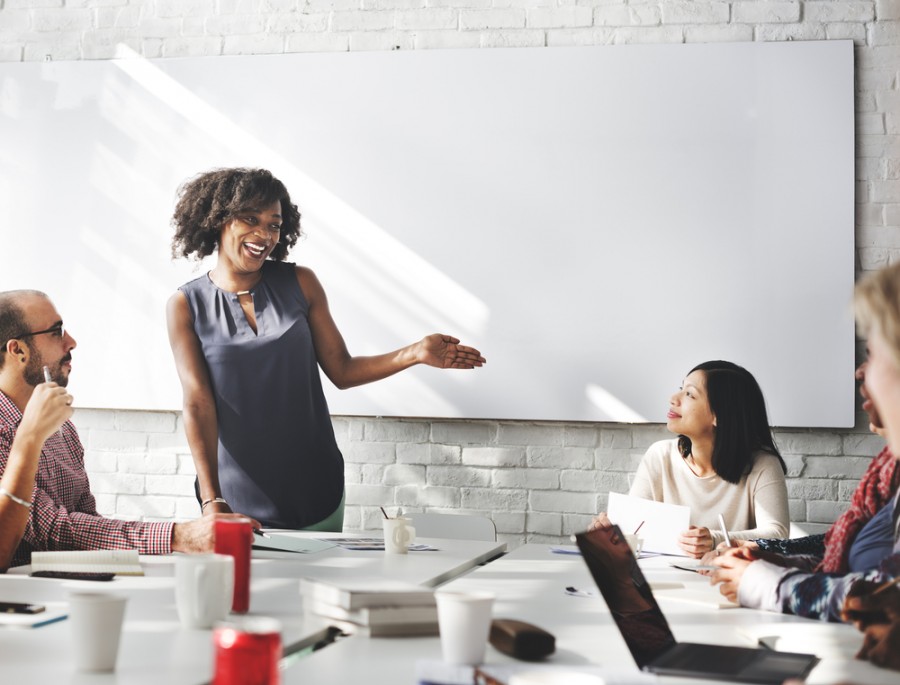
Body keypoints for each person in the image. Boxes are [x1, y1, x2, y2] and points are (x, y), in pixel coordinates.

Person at [167, 168, 486, 531]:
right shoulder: (185, 305)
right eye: (251, 219)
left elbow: (342, 370)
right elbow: (197, 404)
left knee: (320, 586)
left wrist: (415, 352)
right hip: (234, 496)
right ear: (218, 220)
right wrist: (212, 501)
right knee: (244, 589)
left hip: (316, 488)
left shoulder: (301, 283)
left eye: (274, 224)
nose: (264, 234)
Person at [0, 290, 257, 571]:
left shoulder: (62, 429)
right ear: (18, 350)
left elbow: (84, 526)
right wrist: (179, 537)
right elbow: (52, 530)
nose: (71, 342)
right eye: (56, 332)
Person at [711, 263, 900, 627]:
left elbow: (885, 593)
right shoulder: (889, 472)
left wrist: (765, 581)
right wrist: (773, 561)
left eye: (873, 355)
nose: (860, 372)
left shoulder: (761, 463)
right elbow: (841, 554)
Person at [591, 360, 789, 557]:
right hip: (663, 578)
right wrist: (611, 532)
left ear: (718, 415)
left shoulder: (763, 465)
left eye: (689, 394)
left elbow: (777, 534)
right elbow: (633, 531)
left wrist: (713, 540)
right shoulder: (660, 456)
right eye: (681, 388)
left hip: (726, 582)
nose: (673, 399)